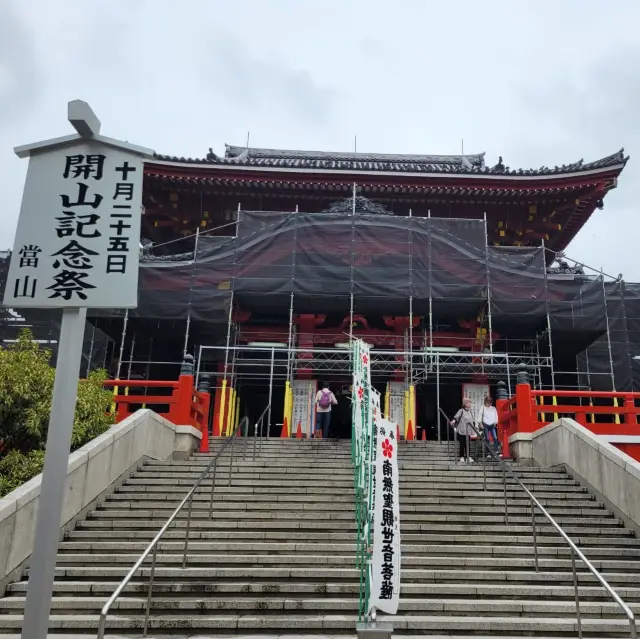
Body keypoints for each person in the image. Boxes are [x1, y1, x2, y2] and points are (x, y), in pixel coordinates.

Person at [451, 397, 475, 463]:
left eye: (470, 402)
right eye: (468, 402)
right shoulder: (461, 411)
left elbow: (472, 420)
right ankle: (461, 457)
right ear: (464, 404)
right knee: (462, 444)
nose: (469, 404)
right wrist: (453, 421)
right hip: (462, 430)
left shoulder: (470, 411)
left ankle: (468, 457)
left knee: (468, 444)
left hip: (468, 431)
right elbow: (456, 417)